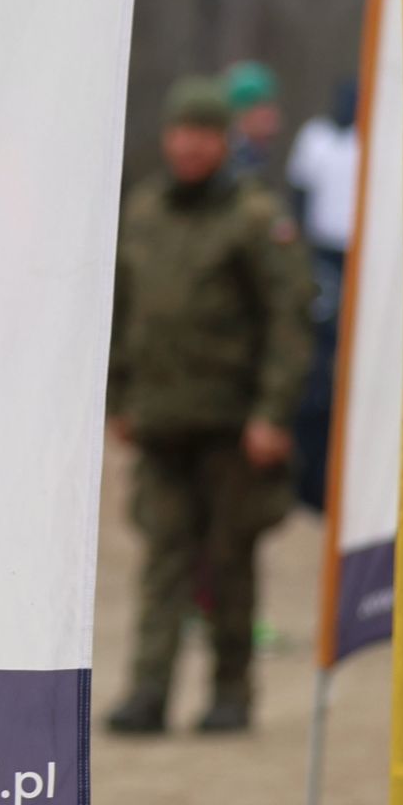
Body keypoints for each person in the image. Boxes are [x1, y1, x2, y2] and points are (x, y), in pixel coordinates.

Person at [104, 77, 313, 736]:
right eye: (181, 132)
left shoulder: (254, 219)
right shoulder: (145, 211)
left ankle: (230, 693)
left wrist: (272, 413)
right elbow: (122, 311)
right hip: (160, 421)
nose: (189, 146)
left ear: (223, 141)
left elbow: (288, 320)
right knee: (162, 560)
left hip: (232, 427)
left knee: (228, 562)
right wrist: (118, 397)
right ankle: (148, 693)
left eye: (203, 134)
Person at [285, 76, 360, 510]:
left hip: (359, 255)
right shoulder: (315, 137)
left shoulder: (369, 142)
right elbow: (299, 195)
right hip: (322, 254)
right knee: (318, 357)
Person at [223, 58, 282, 175]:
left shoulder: (267, 154)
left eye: (272, 103)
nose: (272, 113)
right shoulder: (229, 158)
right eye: (262, 105)